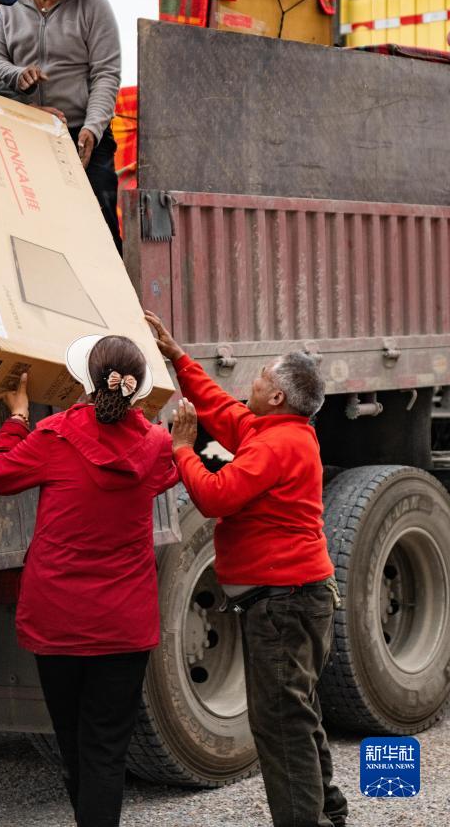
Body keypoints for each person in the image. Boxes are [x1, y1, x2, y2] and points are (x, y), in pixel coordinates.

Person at [145, 310, 348, 827]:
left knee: (280, 723)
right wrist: (177, 356)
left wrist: (183, 449)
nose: (251, 382)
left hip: (284, 604)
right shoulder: (276, 428)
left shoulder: (277, 445)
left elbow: (215, 496)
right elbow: (220, 408)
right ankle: (328, 812)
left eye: (260, 378)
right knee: (295, 712)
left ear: (276, 396)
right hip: (292, 599)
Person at [0, 334, 178, 827]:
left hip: (58, 619)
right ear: (136, 388)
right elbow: (175, 471)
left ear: (86, 380)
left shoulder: (54, 436)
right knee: (106, 750)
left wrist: (17, 417)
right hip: (124, 626)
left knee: (72, 743)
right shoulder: (156, 445)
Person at [0, 0, 123, 253]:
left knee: (100, 224)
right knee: (28, 224)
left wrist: (93, 128)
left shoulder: (95, 6)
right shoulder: (6, 4)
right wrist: (17, 75)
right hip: (21, 130)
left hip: (82, 133)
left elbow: (106, 73)